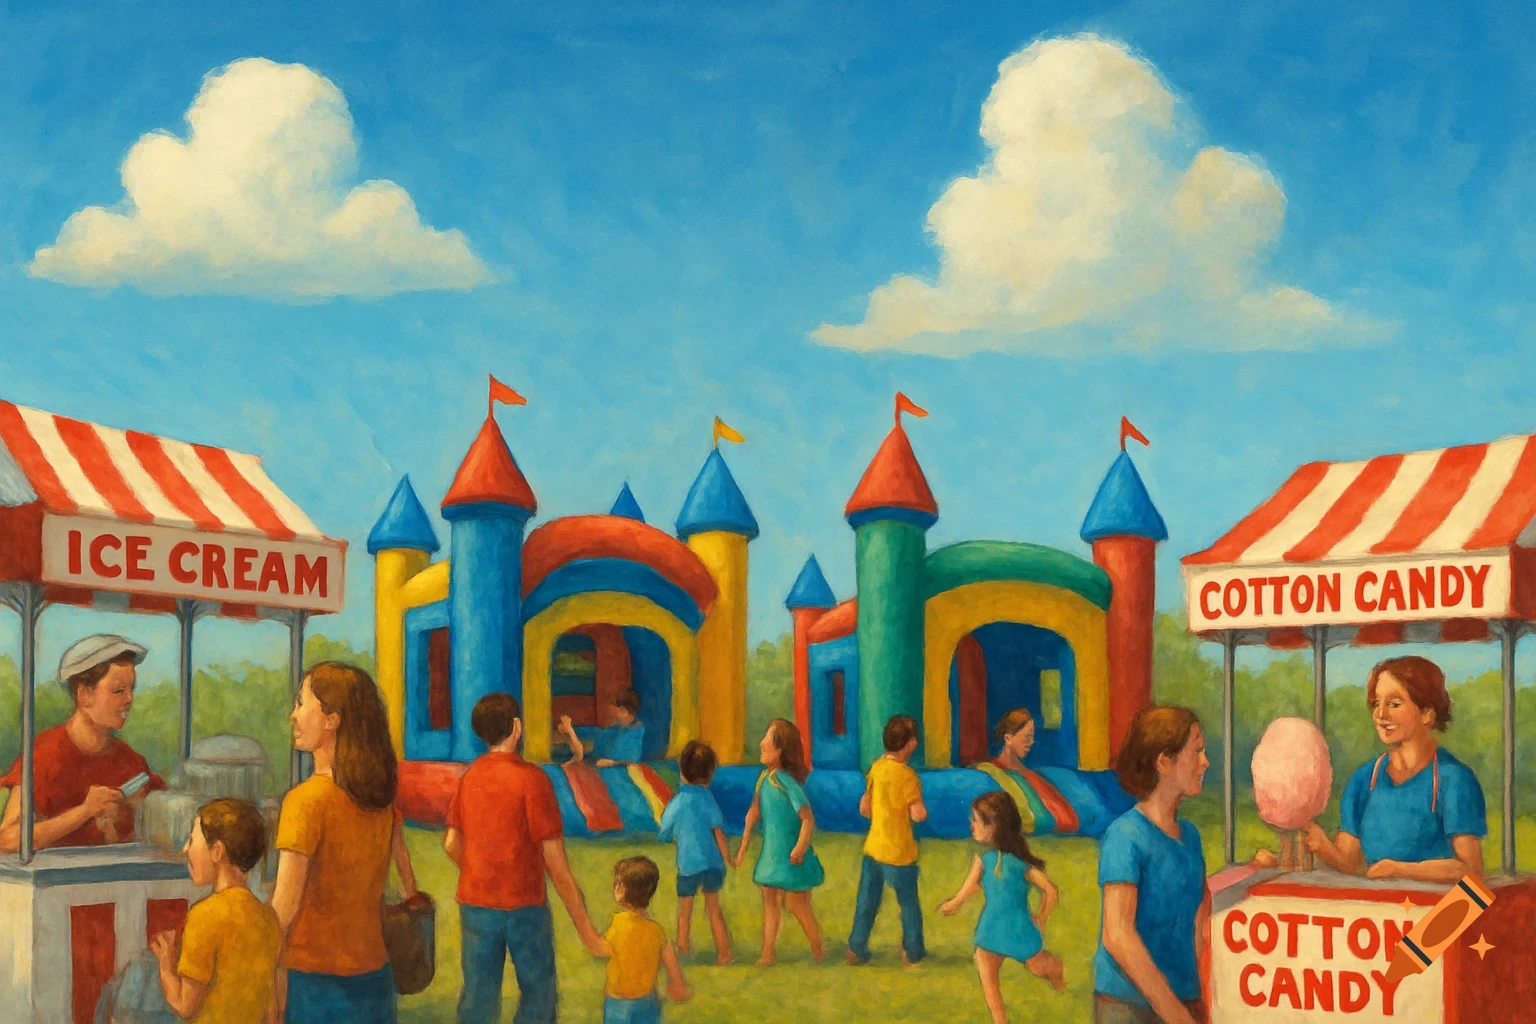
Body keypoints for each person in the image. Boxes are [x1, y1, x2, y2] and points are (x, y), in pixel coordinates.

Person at [445, 692, 606, 1024]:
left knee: (478, 995)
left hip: (476, 902)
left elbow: (451, 843)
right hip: (526, 905)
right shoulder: (532, 779)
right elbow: (556, 863)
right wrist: (588, 932)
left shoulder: (470, 777)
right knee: (537, 993)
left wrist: (482, 868)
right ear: (516, 727)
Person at [1275, 656, 1487, 883]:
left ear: (1427, 713)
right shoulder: (1365, 779)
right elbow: (1351, 865)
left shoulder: (1454, 779)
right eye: (1376, 703)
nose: (1380, 715)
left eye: (1394, 704)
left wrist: (1400, 870)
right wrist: (1323, 845)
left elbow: (1471, 870)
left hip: (1436, 912)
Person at [270, 663, 403, 1022]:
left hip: (314, 982)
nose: (293, 715)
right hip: (374, 976)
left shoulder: (306, 801)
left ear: (331, 719)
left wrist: (266, 981)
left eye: (301, 703)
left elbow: (283, 911)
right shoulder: (378, 798)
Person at [1093, 706, 1210, 1024]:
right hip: (1129, 1006)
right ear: (1164, 762)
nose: (1205, 762)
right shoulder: (1125, 834)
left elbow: (1202, 919)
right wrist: (1174, 1013)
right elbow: (1117, 934)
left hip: (1187, 1000)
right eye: (1196, 751)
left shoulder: (1191, 837)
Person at [0, 634, 166, 851]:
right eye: (118, 690)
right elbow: (6, 840)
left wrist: (139, 813)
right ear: (84, 694)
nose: (129, 699)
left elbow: (163, 838)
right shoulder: (44, 754)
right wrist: (85, 811)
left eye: (131, 689)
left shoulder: (132, 763)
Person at [150, 798, 281, 1023]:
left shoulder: (205, 916)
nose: (185, 850)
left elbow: (184, 1005)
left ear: (217, 851)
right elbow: (272, 1013)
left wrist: (166, 965)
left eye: (192, 841)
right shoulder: (267, 919)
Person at [940, 791, 1066, 1023]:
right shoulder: (982, 861)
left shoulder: (1020, 864)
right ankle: (1001, 1021)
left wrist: (1041, 918)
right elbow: (968, 890)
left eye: (976, 820)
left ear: (994, 826)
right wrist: (954, 904)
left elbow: (1050, 890)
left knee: (1038, 967)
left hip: (1018, 928)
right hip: (991, 928)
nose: (972, 824)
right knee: (985, 967)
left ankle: (1056, 970)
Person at [733, 719, 825, 966]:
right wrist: (742, 848)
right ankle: (767, 953)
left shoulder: (785, 782)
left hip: (791, 856)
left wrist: (800, 847)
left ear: (781, 749)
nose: (761, 743)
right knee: (770, 902)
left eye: (768, 738)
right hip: (771, 855)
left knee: (798, 904)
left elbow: (807, 819)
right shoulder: (764, 779)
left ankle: (818, 950)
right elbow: (753, 813)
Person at [846, 714, 928, 967]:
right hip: (899, 852)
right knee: (908, 904)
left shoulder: (876, 768)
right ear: (911, 744)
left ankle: (856, 948)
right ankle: (913, 951)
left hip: (873, 848)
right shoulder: (908, 776)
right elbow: (918, 814)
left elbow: (864, 808)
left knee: (867, 902)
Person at [657, 740, 733, 964]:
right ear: (710, 775)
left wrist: (670, 835)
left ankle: (683, 947)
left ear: (681, 772)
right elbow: (718, 830)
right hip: (712, 863)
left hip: (688, 864)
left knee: (685, 908)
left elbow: (664, 829)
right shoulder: (707, 799)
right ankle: (724, 952)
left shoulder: (678, 801)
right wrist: (727, 857)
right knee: (713, 907)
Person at [594, 856, 690, 1024]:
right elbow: (672, 964)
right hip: (648, 1002)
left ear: (622, 889)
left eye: (617, 883)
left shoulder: (618, 923)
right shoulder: (656, 931)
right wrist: (678, 986)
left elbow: (601, 950)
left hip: (618, 1003)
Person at [558, 687, 645, 767]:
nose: (608, 708)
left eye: (612, 705)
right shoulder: (614, 729)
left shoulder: (634, 732)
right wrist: (570, 729)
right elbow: (594, 732)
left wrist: (612, 763)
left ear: (623, 710)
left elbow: (631, 762)